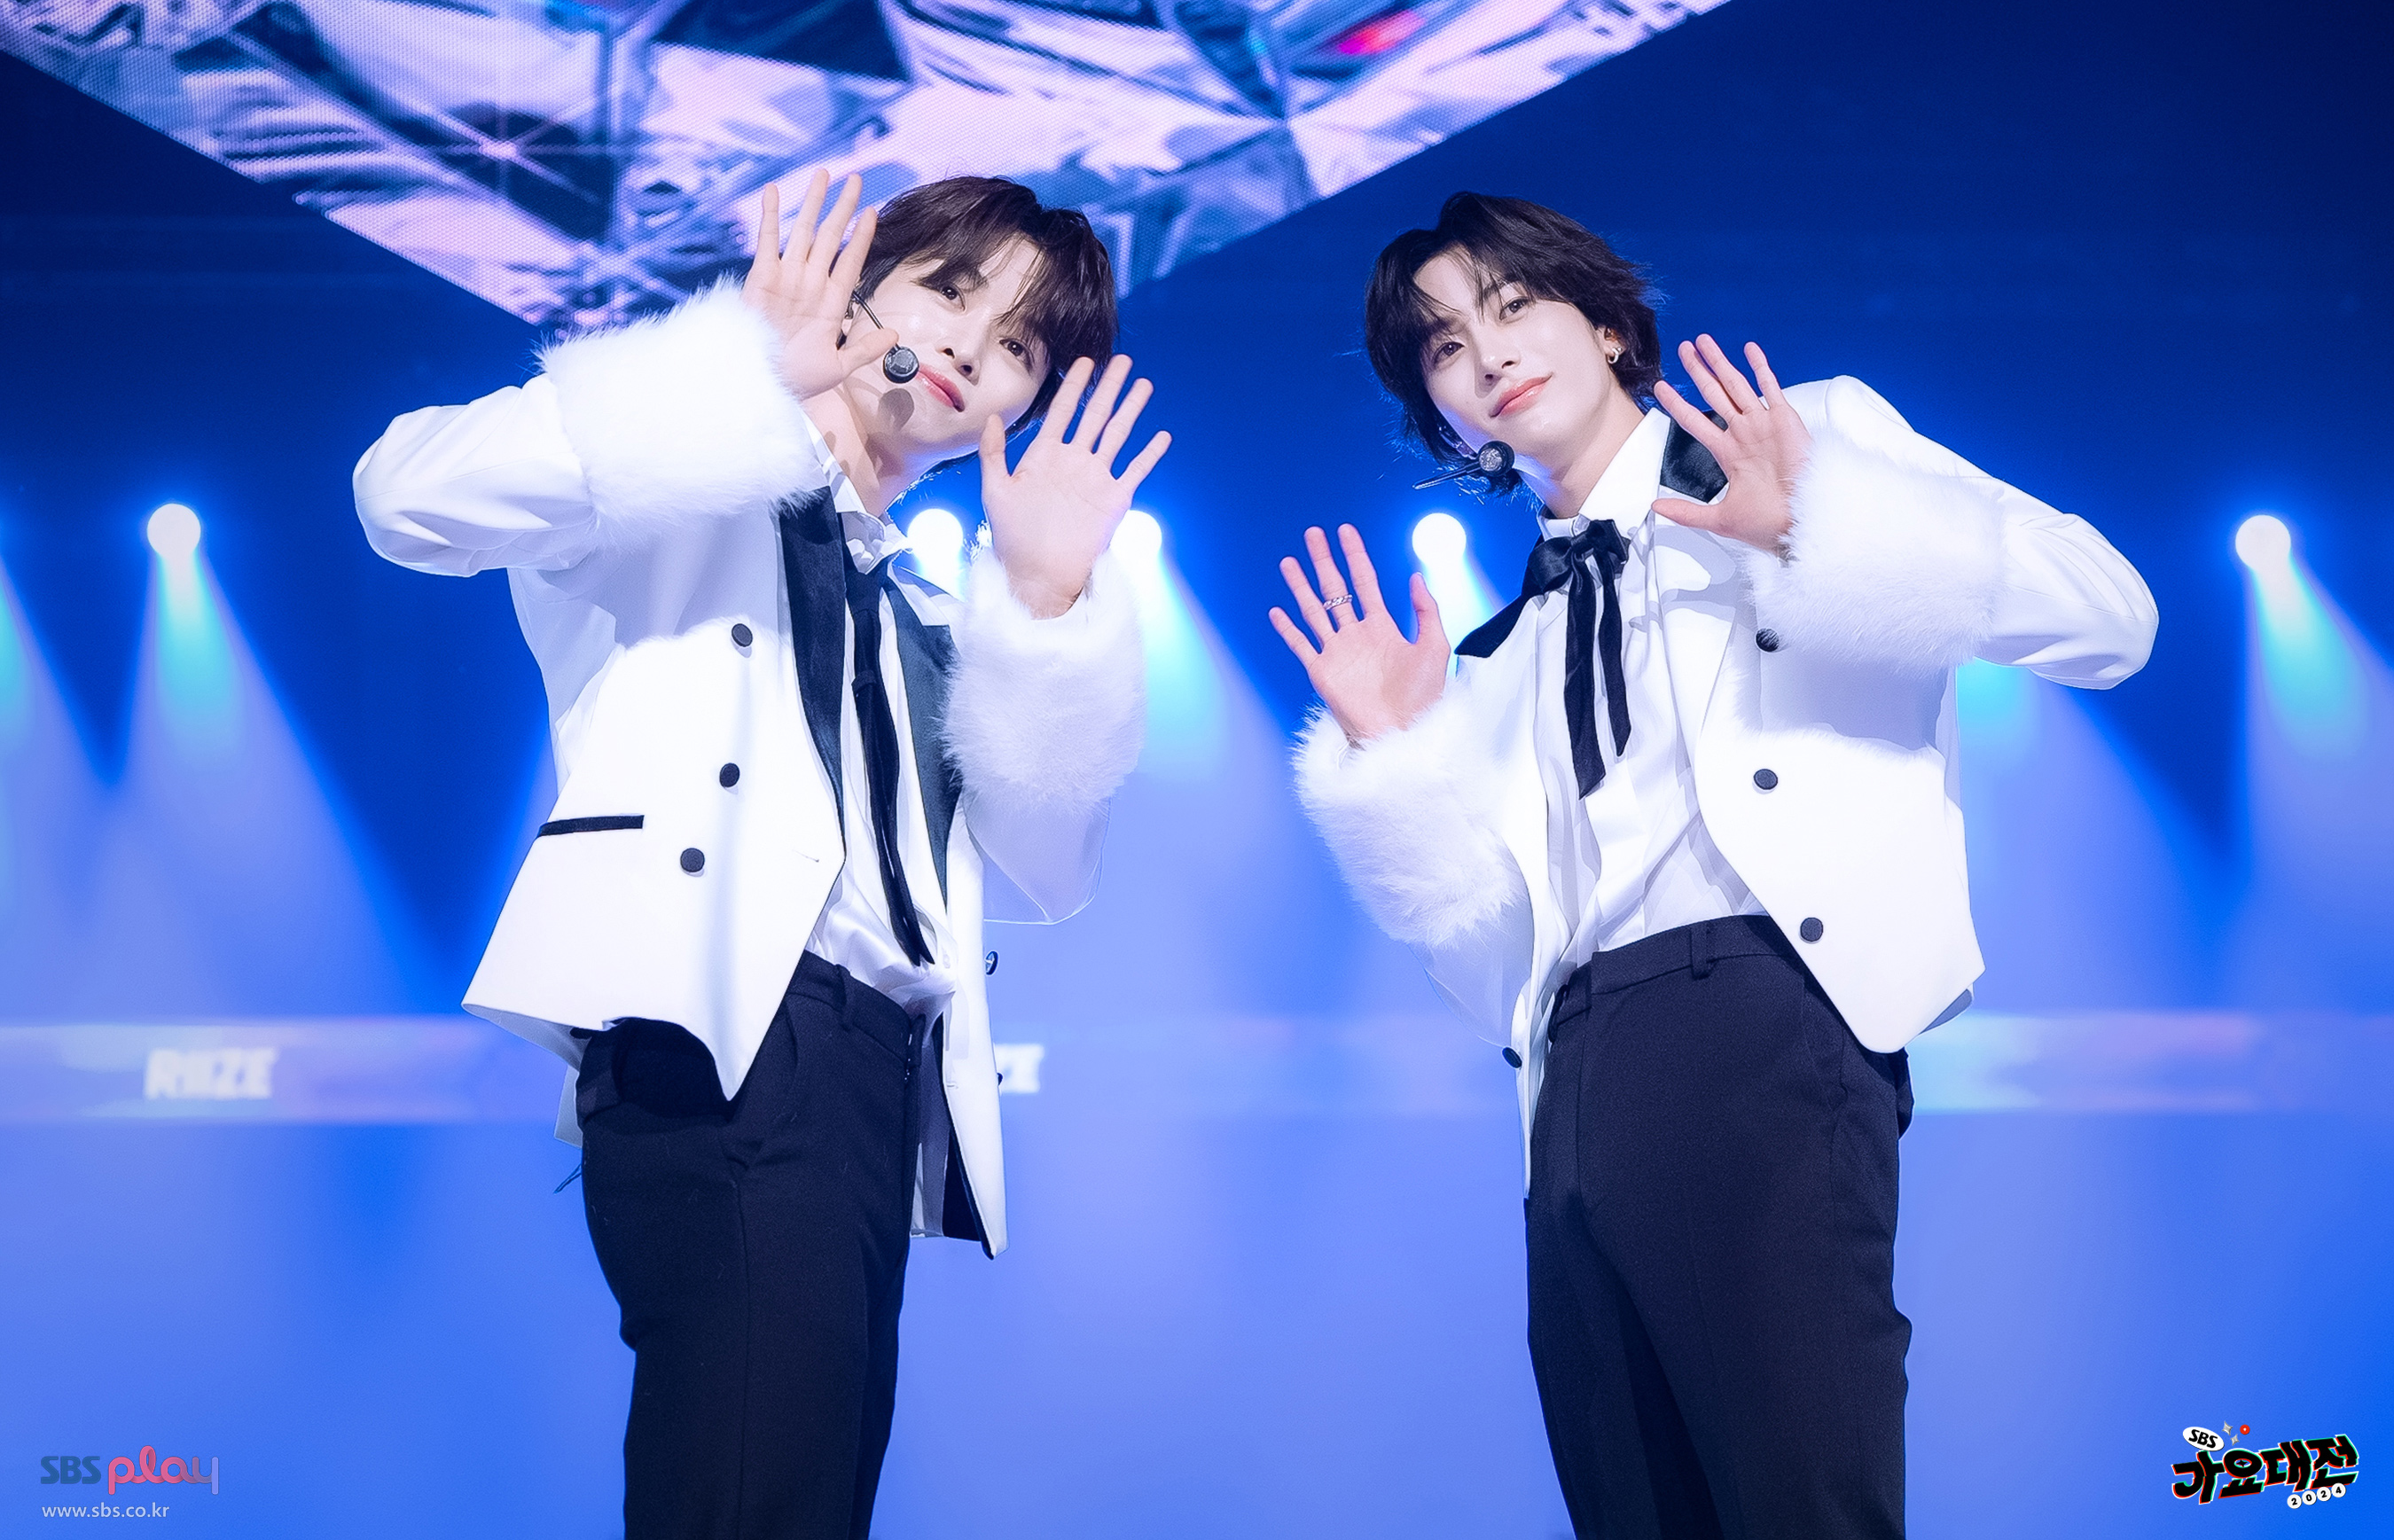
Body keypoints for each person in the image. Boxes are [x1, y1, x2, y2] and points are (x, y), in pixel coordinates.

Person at [1273, 192, 2155, 1538]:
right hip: (1572, 1086)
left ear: (1607, 325)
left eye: (1514, 306)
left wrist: (1817, 530)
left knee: (1803, 1502)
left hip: (1760, 1017)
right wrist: (1401, 765)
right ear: (1444, 418)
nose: (1488, 352)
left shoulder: (1805, 448)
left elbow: (2112, 617)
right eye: (1445, 346)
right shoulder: (1496, 655)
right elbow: (1497, 967)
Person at [354, 169, 1165, 1538]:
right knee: (749, 1491)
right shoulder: (684, 483)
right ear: (862, 289)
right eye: (951, 291)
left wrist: (1044, 607)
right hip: (724, 1035)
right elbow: (403, 498)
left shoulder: (936, 614)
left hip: (875, 1081)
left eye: (1021, 344)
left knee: (799, 1495)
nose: (971, 346)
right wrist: (734, 376)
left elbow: (1051, 870)